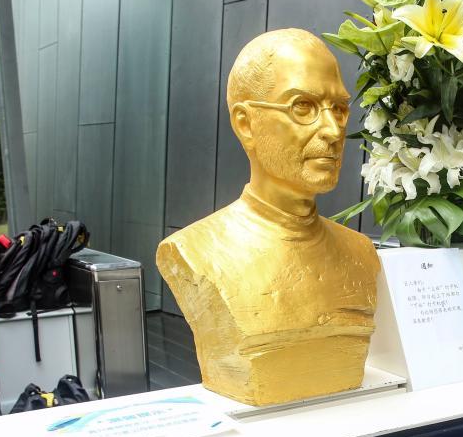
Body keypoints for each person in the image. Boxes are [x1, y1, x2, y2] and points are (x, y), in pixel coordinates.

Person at [156, 29, 380, 406]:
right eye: (303, 107)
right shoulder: (195, 251)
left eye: (339, 108)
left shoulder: (360, 252)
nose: (333, 130)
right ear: (245, 123)